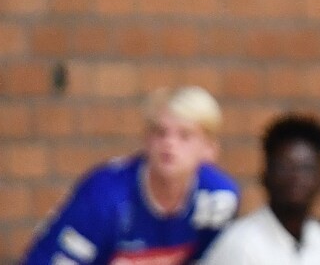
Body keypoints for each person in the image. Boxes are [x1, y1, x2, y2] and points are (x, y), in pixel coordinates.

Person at [22, 86, 239, 265]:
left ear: (210, 149)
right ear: (146, 140)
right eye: (160, 133)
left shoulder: (218, 198)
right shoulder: (104, 196)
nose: (169, 144)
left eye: (185, 135)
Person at [200, 114, 320, 265]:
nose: (296, 177)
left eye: (306, 168)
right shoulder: (241, 245)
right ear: (265, 174)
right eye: (285, 167)